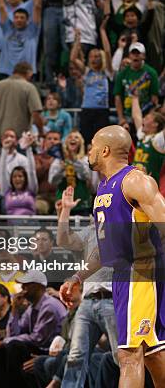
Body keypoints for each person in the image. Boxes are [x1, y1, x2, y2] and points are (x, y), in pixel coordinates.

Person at [60, 125, 165, 387]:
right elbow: (104, 248)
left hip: (141, 273)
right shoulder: (103, 190)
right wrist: (78, 276)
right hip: (124, 276)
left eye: (93, 144)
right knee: (154, 355)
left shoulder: (135, 181)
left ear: (105, 150)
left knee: (128, 356)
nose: (90, 150)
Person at [57, 186, 117, 388]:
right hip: (88, 301)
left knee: (122, 357)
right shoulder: (90, 231)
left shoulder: (119, 227)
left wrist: (75, 277)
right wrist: (65, 211)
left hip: (114, 299)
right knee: (75, 357)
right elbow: (63, 240)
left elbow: (103, 256)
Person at [0, 270, 68, 387]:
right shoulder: (32, 307)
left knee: (14, 346)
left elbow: (38, 339)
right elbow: (13, 333)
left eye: (26, 285)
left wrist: (7, 341)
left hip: (54, 350)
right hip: (41, 347)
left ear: (38, 287)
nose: (22, 288)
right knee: (5, 349)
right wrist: (14, 309)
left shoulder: (49, 306)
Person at [0, 62, 43, 141]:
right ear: (29, 73)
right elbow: (36, 114)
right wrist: (41, 132)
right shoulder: (29, 87)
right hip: (19, 137)